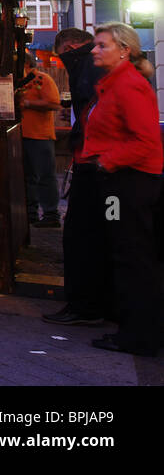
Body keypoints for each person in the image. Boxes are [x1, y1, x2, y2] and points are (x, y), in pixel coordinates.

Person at [79, 23, 163, 356]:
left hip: (129, 181)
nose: (94, 50)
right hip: (122, 179)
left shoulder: (128, 86)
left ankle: (139, 336)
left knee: (132, 256)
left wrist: (106, 162)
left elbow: (146, 140)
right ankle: (136, 330)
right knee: (127, 253)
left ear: (124, 49)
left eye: (102, 45)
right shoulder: (116, 84)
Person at [45, 28, 111, 328]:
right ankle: (94, 302)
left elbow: (93, 112)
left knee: (81, 235)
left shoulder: (86, 67)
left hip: (95, 163)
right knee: (91, 235)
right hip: (96, 161)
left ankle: (85, 305)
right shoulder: (101, 70)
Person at [17, 53, 62, 228]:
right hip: (23, 136)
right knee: (28, 177)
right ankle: (31, 214)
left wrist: (27, 104)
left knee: (45, 176)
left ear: (25, 63)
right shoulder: (18, 82)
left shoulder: (42, 79)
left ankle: (51, 214)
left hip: (40, 136)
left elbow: (54, 104)